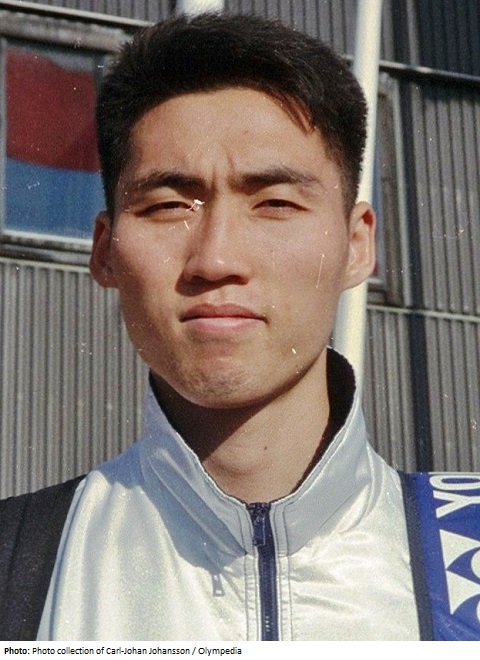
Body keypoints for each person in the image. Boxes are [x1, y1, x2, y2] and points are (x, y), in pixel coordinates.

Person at [2, 12, 477, 642]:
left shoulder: (465, 552)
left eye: (276, 203)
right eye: (168, 205)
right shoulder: (15, 564)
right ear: (105, 251)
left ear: (358, 244)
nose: (217, 258)